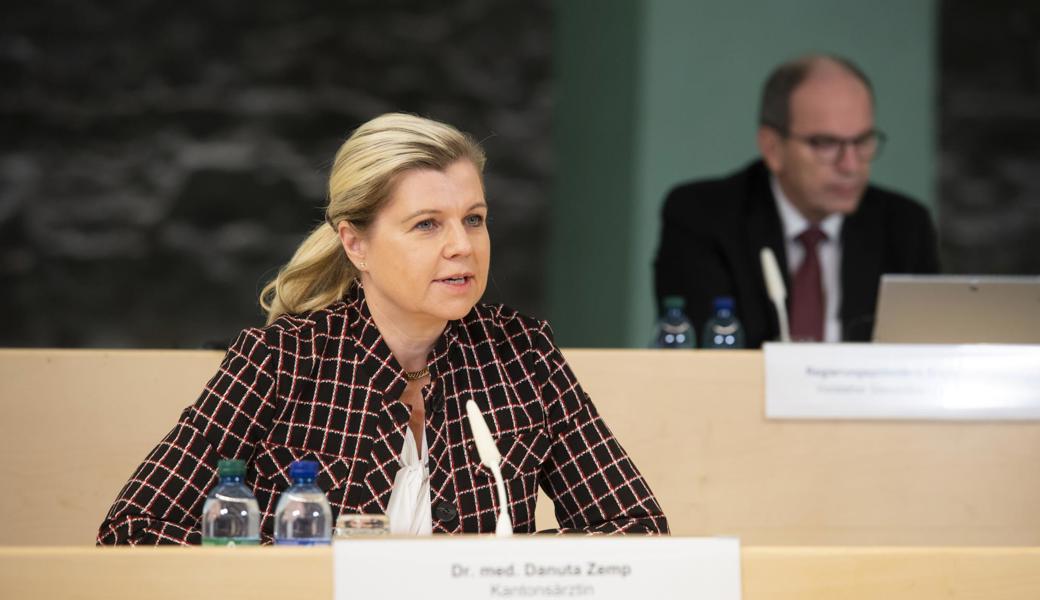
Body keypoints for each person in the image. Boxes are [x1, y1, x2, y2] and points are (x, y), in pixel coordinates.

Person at [98, 113, 667, 544]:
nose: (462, 246)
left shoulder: (522, 353)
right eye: (427, 225)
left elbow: (637, 528)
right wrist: (291, 567)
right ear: (356, 243)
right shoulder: (281, 358)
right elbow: (131, 529)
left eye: (474, 219)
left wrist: (496, 571)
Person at [654, 54, 940, 347]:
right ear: (773, 148)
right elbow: (703, 354)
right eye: (827, 144)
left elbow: (923, 358)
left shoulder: (905, 226)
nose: (851, 165)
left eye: (863, 141)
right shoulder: (703, 216)